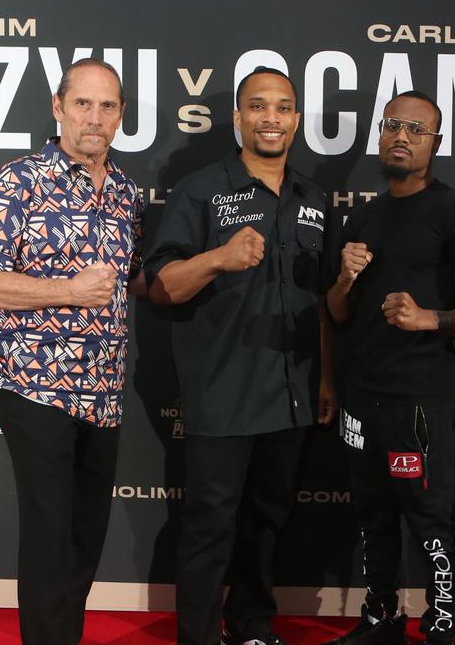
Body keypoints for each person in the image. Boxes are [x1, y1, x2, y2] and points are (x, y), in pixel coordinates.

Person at [144, 66, 337, 645]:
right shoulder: (200, 191)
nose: (270, 118)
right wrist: (218, 259)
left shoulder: (315, 198)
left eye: (282, 107)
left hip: (294, 391)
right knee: (209, 528)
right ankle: (199, 636)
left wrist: (327, 379)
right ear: (237, 117)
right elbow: (161, 287)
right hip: (223, 393)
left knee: (267, 523)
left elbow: (325, 301)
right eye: (258, 106)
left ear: (296, 119)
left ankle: (252, 625)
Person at [0, 57, 144, 645]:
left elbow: (133, 278)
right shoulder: (19, 181)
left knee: (85, 537)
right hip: (35, 387)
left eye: (108, 106)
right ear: (58, 107)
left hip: (104, 392)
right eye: (83, 103)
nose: (95, 117)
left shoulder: (124, 190)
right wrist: (68, 290)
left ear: (120, 115)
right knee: (48, 535)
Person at [324, 91, 455, 645]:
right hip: (362, 399)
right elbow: (337, 313)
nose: (402, 136)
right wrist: (346, 279)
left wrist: (429, 319)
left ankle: (442, 624)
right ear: (380, 133)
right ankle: (381, 619)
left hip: (419, 401)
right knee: (373, 519)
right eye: (393, 125)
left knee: (429, 522)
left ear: (435, 143)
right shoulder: (362, 216)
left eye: (416, 129)